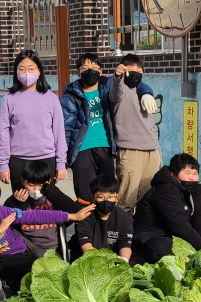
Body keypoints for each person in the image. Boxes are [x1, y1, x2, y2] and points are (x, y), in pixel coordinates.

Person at [0, 179, 94, 302]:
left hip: (16, 257)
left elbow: (35, 216)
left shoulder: (5, 212)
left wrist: (71, 216)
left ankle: (10, 283)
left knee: (41, 263)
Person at [60, 53, 157, 203]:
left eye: (94, 67)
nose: (90, 71)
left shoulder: (107, 88)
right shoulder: (70, 96)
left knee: (108, 193)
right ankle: (86, 225)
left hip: (105, 147)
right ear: (78, 72)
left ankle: (106, 224)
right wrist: (62, 159)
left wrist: (146, 93)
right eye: (85, 68)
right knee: (85, 195)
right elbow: (65, 128)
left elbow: (135, 83)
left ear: (101, 71)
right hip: (81, 150)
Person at [133, 153, 201, 264]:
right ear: (174, 174)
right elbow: (178, 225)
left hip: (175, 229)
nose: (192, 177)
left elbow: (200, 214)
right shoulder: (165, 190)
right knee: (161, 249)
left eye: (195, 173)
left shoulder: (192, 188)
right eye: (187, 173)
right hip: (153, 234)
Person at [0, 49, 67, 193]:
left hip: (46, 159)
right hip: (18, 161)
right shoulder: (9, 99)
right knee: (22, 206)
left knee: (46, 205)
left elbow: (59, 132)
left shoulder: (51, 98)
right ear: (16, 72)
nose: (26, 73)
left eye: (31, 68)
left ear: (39, 71)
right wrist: (3, 164)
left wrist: (61, 163)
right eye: (21, 69)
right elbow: (3, 134)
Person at [111, 54, 163, 213]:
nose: (134, 72)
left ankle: (142, 232)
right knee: (126, 199)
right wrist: (117, 76)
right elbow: (115, 91)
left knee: (147, 198)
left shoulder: (144, 91)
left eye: (138, 69)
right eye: (130, 68)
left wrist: (157, 152)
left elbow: (151, 125)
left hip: (151, 150)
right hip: (130, 151)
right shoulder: (120, 91)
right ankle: (120, 232)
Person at [3, 159, 83, 257]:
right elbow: (5, 221)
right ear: (23, 181)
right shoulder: (16, 198)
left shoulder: (53, 198)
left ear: (48, 181)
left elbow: (75, 211)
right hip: (27, 250)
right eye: (31, 185)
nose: (36, 189)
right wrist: (18, 204)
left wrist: (54, 194)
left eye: (40, 185)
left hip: (54, 249)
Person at [70, 175, 133, 262]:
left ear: (117, 197)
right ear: (92, 198)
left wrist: (123, 260)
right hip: (85, 258)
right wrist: (100, 261)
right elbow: (85, 244)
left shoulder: (125, 219)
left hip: (113, 259)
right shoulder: (85, 215)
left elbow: (125, 245)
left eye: (111, 197)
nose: (106, 201)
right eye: (100, 197)